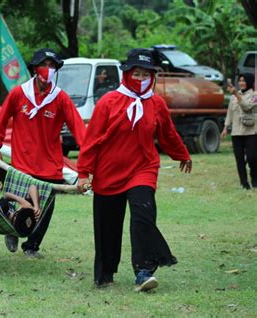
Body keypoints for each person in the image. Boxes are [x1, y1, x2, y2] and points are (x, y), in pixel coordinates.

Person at [77, 48, 192, 292]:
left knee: (143, 216)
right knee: (107, 225)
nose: (140, 80)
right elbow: (92, 139)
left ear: (152, 77)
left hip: (143, 168)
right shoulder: (109, 101)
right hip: (109, 171)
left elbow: (168, 134)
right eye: (136, 74)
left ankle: (143, 272)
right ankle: (105, 273)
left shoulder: (156, 103)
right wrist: (83, 173)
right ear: (127, 74)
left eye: (145, 75)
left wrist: (182, 153)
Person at [0, 48, 86, 258]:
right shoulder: (19, 93)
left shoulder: (60, 98)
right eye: (44, 65)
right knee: (13, 200)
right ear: (35, 69)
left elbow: (79, 129)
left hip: (49, 165)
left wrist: (87, 162)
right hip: (22, 162)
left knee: (44, 209)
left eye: (52, 66)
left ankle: (32, 246)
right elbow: (1, 119)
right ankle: (9, 229)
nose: (48, 70)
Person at [221, 73, 257, 189]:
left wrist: (236, 94)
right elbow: (230, 113)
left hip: (251, 131)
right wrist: (226, 127)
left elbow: (246, 107)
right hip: (236, 132)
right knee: (239, 159)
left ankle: (255, 178)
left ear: (250, 82)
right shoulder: (233, 97)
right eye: (240, 80)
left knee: (252, 157)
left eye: (244, 80)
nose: (241, 83)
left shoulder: (254, 95)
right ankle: (244, 183)